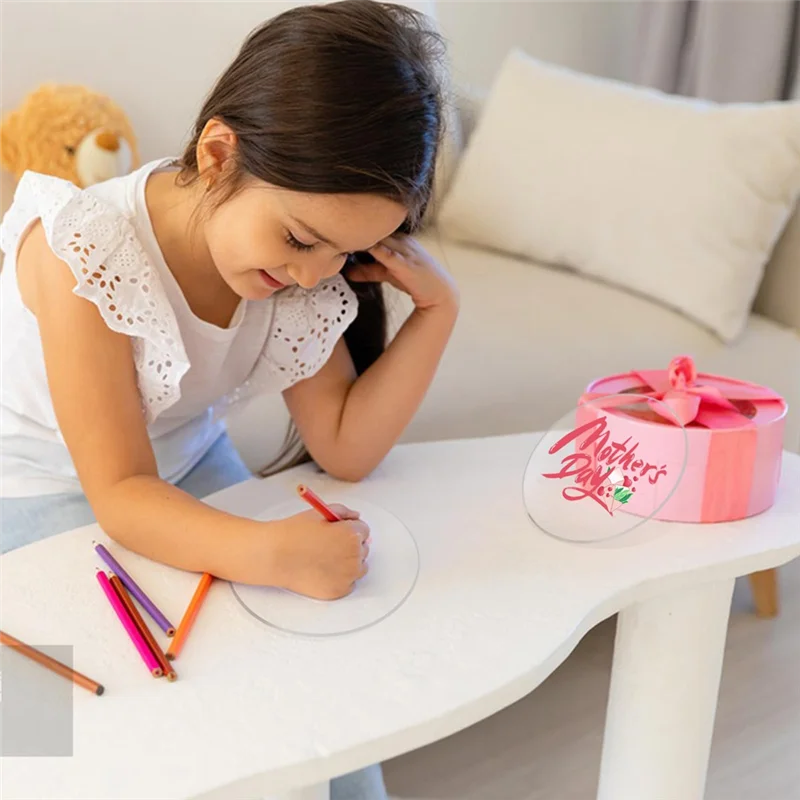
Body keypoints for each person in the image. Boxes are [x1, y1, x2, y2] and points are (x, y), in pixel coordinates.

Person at [0, 1, 457, 796]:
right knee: (75, 734)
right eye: (301, 239)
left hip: (181, 463)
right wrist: (273, 554)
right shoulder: (82, 248)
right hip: (37, 481)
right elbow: (121, 492)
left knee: (320, 696)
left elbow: (345, 446)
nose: (315, 275)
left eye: (345, 254)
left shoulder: (294, 274)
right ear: (217, 154)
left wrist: (438, 311)